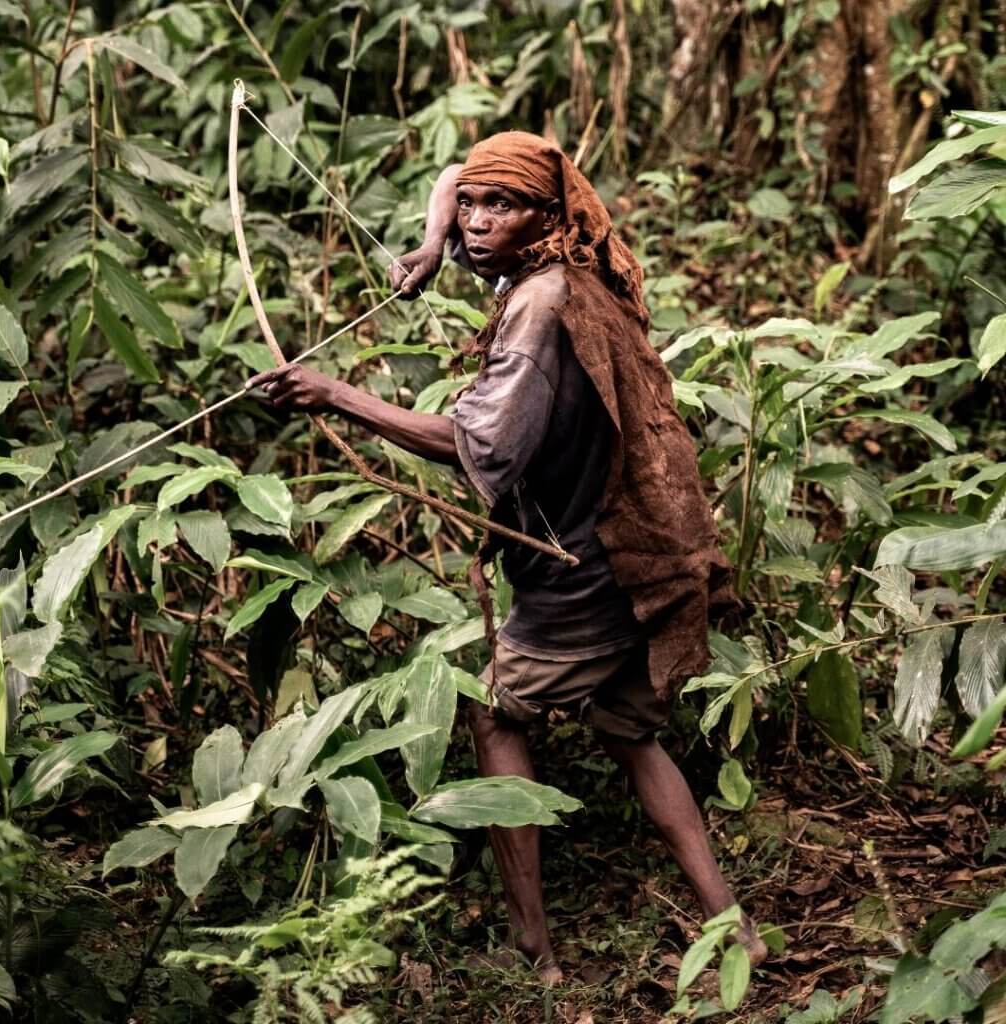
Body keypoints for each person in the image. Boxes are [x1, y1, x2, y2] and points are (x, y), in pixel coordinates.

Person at [250, 131, 766, 984]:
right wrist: (427, 240)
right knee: (628, 731)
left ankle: (536, 948)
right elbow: (459, 173)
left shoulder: (538, 307)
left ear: (546, 214)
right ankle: (733, 926)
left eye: (502, 207)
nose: (477, 222)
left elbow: (476, 444)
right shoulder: (569, 257)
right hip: (639, 547)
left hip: (595, 566)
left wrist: (333, 393)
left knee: (498, 713)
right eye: (473, 210)